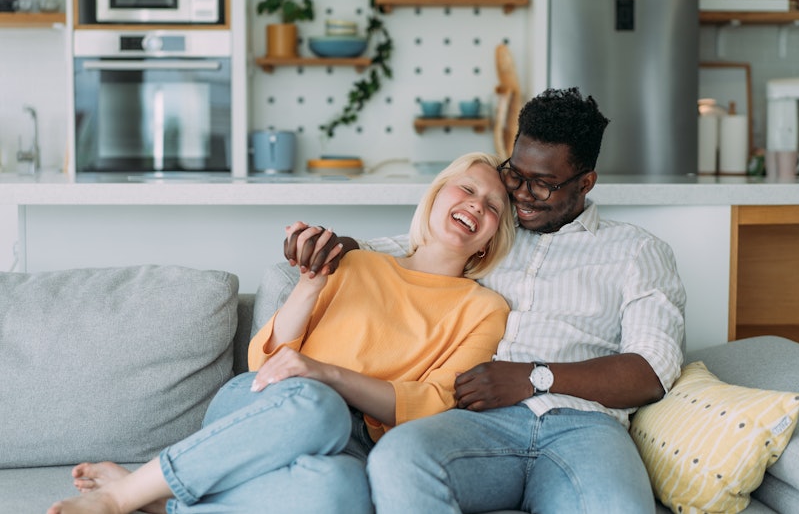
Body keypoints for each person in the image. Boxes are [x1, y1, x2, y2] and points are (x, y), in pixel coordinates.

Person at [286, 88, 686, 513]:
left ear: (585, 182)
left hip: (584, 429)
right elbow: (404, 250)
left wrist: (534, 377)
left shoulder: (637, 251)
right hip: (472, 426)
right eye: (516, 174)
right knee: (398, 459)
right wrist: (330, 245)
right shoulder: (488, 230)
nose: (523, 195)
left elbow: (652, 370)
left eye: (544, 184)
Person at [47, 151, 516, 514]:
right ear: (435, 195)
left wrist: (329, 373)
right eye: (467, 188)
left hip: (354, 441)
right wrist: (311, 284)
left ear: (492, 238)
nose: (476, 204)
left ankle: (162, 501)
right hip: (270, 405)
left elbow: (430, 403)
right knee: (318, 405)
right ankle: (119, 498)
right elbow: (264, 362)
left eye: (494, 205)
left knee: (345, 495)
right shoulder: (355, 263)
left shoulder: (484, 308)